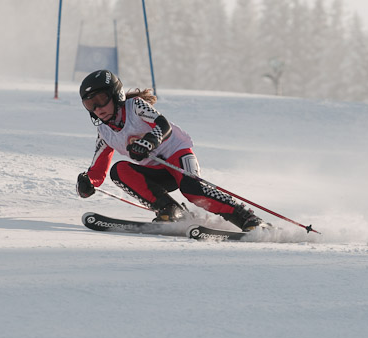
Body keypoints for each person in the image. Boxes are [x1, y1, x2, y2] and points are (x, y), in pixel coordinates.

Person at [76, 70, 264, 231]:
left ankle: (246, 218)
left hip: (177, 154)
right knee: (119, 171)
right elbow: (98, 168)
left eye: (101, 99)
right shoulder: (104, 132)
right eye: (90, 105)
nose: (98, 109)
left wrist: (150, 141)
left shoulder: (134, 107)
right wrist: (88, 182)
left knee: (193, 191)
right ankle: (170, 210)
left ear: (116, 95)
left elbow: (163, 125)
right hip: (157, 171)